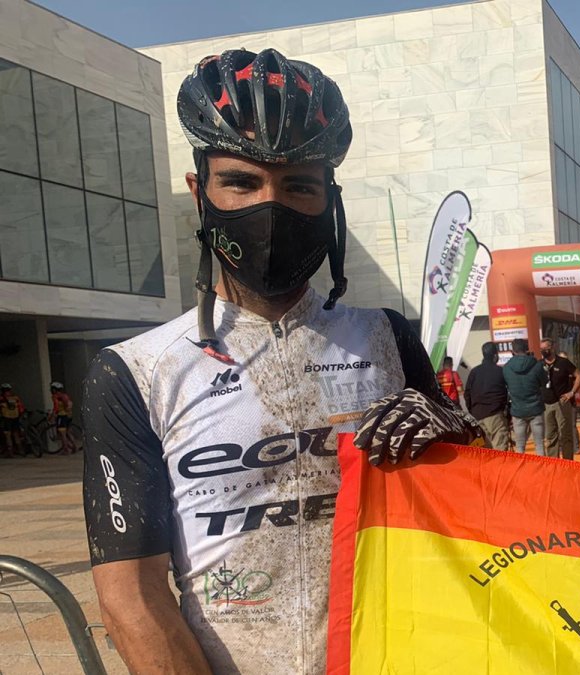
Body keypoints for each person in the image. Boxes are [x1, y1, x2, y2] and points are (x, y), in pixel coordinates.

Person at [82, 48, 480, 675]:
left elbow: (474, 515)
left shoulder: (388, 340)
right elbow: (132, 593)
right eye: (241, 181)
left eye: (299, 186)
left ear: (329, 200)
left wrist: (460, 441)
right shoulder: (136, 370)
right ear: (199, 191)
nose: (273, 207)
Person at [503, 339, 547, 455]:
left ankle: (521, 471)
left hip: (518, 410)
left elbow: (506, 385)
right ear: (527, 349)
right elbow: (545, 381)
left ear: (512, 351)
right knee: (539, 443)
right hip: (536, 408)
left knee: (520, 445)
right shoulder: (537, 365)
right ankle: (542, 470)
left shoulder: (507, 368)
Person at [541, 339, 580, 460]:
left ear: (552, 348)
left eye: (545, 348)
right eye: (541, 349)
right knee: (550, 435)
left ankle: (567, 461)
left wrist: (572, 392)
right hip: (546, 405)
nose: (543, 351)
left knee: (565, 434)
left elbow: (578, 374)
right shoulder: (539, 364)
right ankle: (554, 462)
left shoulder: (563, 362)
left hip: (562, 403)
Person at [465, 343, 510, 450]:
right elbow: (506, 393)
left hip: (477, 417)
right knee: (500, 449)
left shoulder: (474, 372)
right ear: (495, 355)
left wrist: (472, 411)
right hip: (495, 415)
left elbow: (467, 393)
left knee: (484, 451)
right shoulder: (500, 371)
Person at [50, 382, 77, 455]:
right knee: (69, 432)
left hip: (61, 416)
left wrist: (52, 416)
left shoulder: (55, 397)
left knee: (63, 435)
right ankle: (74, 446)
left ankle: (66, 450)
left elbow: (56, 408)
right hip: (68, 416)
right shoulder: (65, 396)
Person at [0, 384, 26, 458]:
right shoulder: (15, 398)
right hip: (16, 418)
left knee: (8, 436)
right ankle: (21, 451)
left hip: (6, 418)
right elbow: (21, 408)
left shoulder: (1, 399)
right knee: (16, 435)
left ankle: (10, 453)